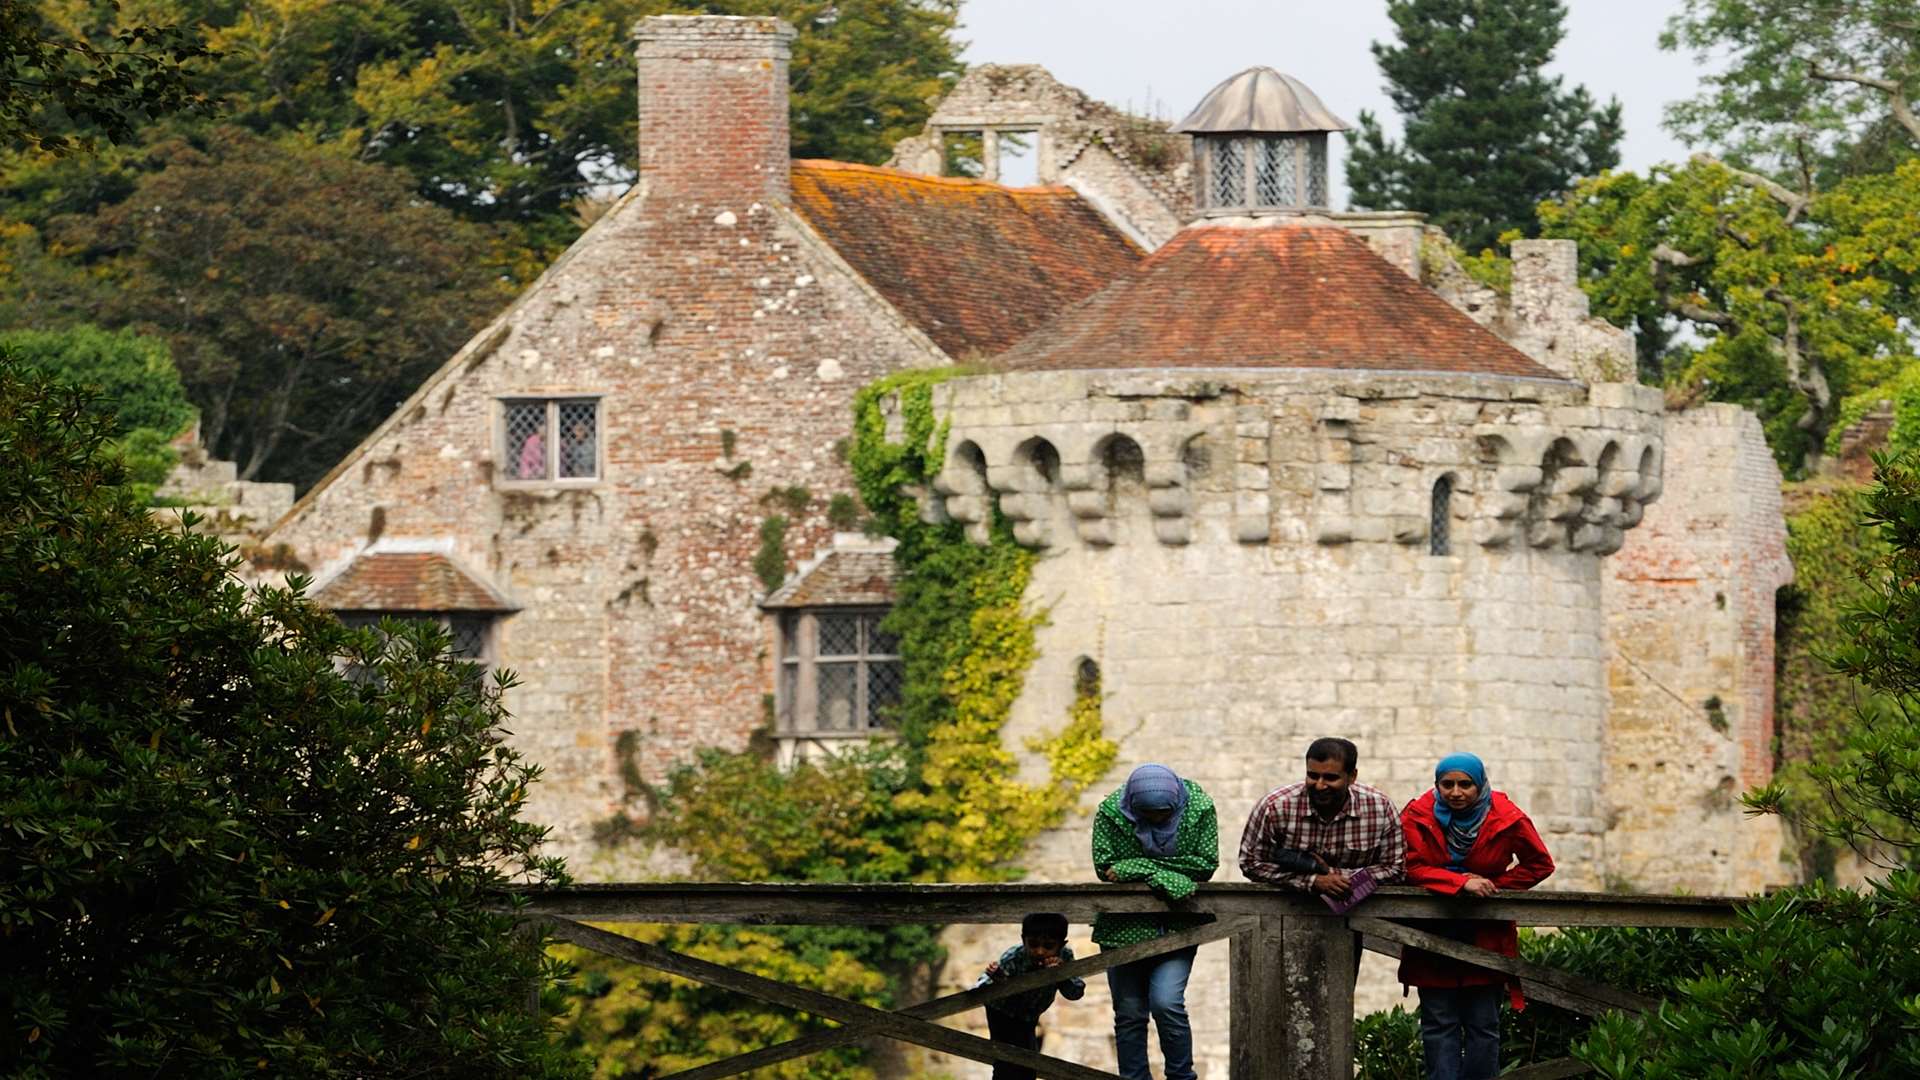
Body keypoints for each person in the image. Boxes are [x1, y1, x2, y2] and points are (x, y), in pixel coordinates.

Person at [1399, 752, 1555, 1080]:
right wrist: (1459, 883)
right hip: (1432, 932)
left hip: (1486, 934)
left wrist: (1493, 887)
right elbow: (1409, 867)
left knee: (1483, 1024)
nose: (1456, 792)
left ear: (1480, 784)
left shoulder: (1506, 817)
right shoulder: (1417, 815)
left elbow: (1540, 864)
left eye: (1465, 785)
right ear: (1437, 785)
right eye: (1447, 784)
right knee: (1438, 1023)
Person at [1091, 763, 1218, 1080]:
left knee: (1167, 1003)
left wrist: (1135, 866)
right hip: (1122, 928)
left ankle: (1181, 1077)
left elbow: (1203, 865)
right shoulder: (1110, 813)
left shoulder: (1199, 808)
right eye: (1149, 816)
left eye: (1164, 814)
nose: (1158, 821)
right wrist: (1166, 874)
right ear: (1133, 806)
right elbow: (1104, 866)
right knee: (1130, 1013)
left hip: (1178, 927)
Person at [1239, 737, 1405, 896]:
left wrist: (1332, 876)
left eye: (1331, 778)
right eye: (1312, 776)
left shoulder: (1380, 808)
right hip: (1286, 915)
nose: (1319, 785)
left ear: (1352, 776)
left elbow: (1395, 870)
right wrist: (1311, 881)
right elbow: (1251, 863)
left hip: (1361, 915)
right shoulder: (1274, 807)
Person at [975, 912, 1085, 1080]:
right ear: (1023, 940)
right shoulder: (1013, 957)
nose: (1039, 951)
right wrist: (1001, 981)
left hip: (1030, 1014)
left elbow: (1075, 993)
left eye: (1048, 946)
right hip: (1002, 1011)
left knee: (1028, 1062)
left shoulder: (1064, 957)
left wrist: (1060, 975)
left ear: (1062, 945)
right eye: (1033, 944)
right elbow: (981, 988)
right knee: (1005, 1059)